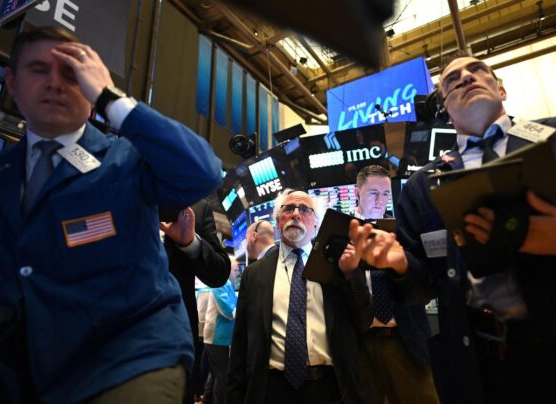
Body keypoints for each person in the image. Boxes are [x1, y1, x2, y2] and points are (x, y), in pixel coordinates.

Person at [0, 26, 222, 403]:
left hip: (130, 357)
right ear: (12, 82)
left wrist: (112, 99)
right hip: (30, 366)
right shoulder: (2, 174)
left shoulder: (127, 158)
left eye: (71, 73)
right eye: (39, 69)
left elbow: (202, 172)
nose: (54, 83)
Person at [347, 53, 556, 404]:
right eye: (451, 79)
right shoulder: (422, 185)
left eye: (477, 70)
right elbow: (422, 285)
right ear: (444, 108)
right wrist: (399, 266)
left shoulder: (550, 141)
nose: (465, 77)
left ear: (500, 89)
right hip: (470, 358)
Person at [225, 189, 373, 404]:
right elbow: (240, 345)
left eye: (304, 209)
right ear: (277, 221)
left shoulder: (337, 266)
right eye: (288, 209)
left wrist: (351, 274)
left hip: (329, 388)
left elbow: (363, 321)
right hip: (272, 390)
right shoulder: (255, 273)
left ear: (316, 224)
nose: (296, 214)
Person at [354, 165, 439, 404]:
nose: (381, 200)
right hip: (360, 343)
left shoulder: (405, 231)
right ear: (357, 192)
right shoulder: (339, 231)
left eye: (385, 193)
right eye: (373, 193)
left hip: (406, 338)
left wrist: (402, 266)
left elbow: (425, 284)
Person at [160, 200, 231, 404]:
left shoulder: (193, 209)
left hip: (175, 343)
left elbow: (219, 273)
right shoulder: (116, 191)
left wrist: (189, 242)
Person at [202, 259, 239, 404]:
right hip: (217, 337)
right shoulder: (219, 285)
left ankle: (208, 399)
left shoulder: (228, 285)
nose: (237, 273)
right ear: (228, 269)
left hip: (223, 337)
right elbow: (228, 310)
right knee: (222, 374)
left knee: (216, 373)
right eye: (235, 270)